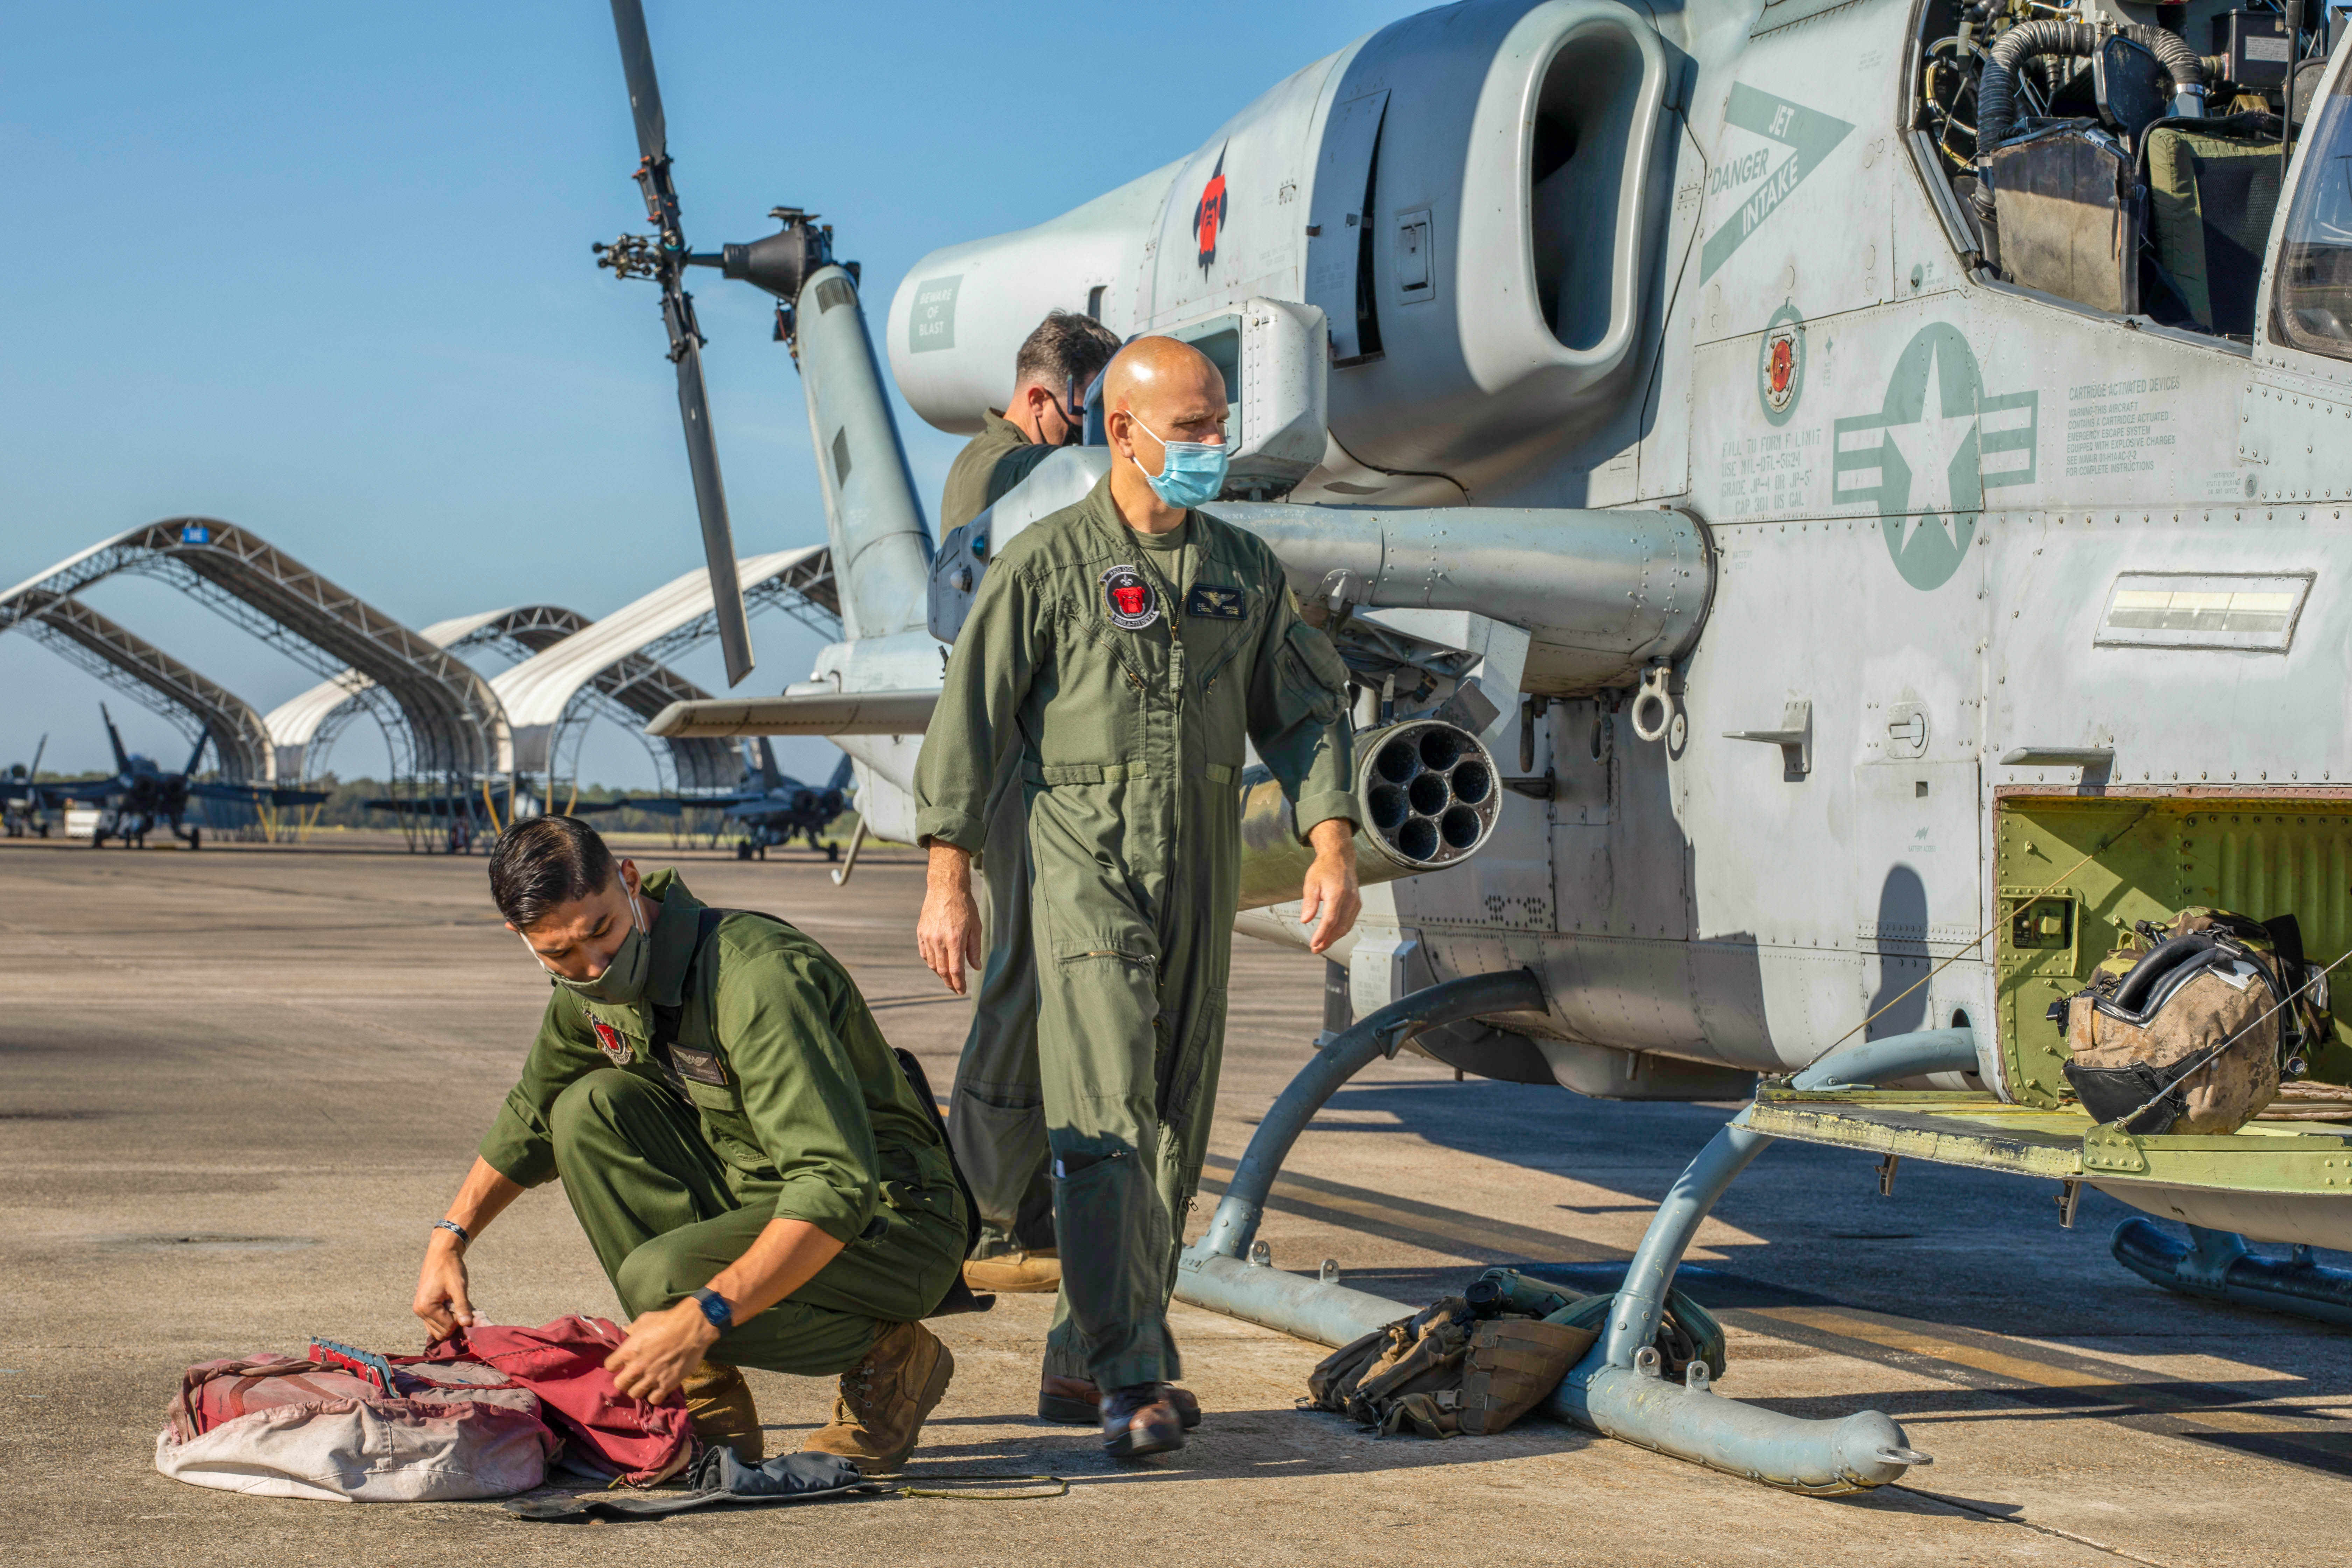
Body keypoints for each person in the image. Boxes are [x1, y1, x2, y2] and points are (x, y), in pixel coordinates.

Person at [913, 335, 1362, 1458]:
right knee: (1107, 1110)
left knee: (1173, 1119)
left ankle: (1083, 1355)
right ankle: (1129, 1372)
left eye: (1221, 425)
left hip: (1202, 865)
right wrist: (948, 879)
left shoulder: (1242, 572)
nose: (1217, 446)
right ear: (1122, 431)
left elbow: (1305, 711)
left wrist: (1331, 842)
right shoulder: (1047, 566)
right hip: (1084, 864)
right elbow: (969, 724)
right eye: (1194, 428)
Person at [410, 816, 966, 1472]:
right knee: (587, 1109)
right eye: (560, 954)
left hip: (892, 1219)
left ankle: (891, 1359)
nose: (594, 966)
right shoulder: (590, 988)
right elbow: (532, 1115)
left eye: (602, 931)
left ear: (630, 880)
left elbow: (834, 1186)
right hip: (764, 1192)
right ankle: (707, 1391)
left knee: (662, 1282)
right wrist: (450, 1238)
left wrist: (704, 1314)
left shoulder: (756, 978)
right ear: (523, 938)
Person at [939, 310, 1122, 1300]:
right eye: (1096, 415)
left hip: (1036, 755)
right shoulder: (1005, 470)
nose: (1103, 437)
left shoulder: (1017, 462)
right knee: (1021, 977)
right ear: (1042, 397)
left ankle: (1032, 1208)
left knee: (1054, 977)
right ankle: (992, 1217)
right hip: (1015, 760)